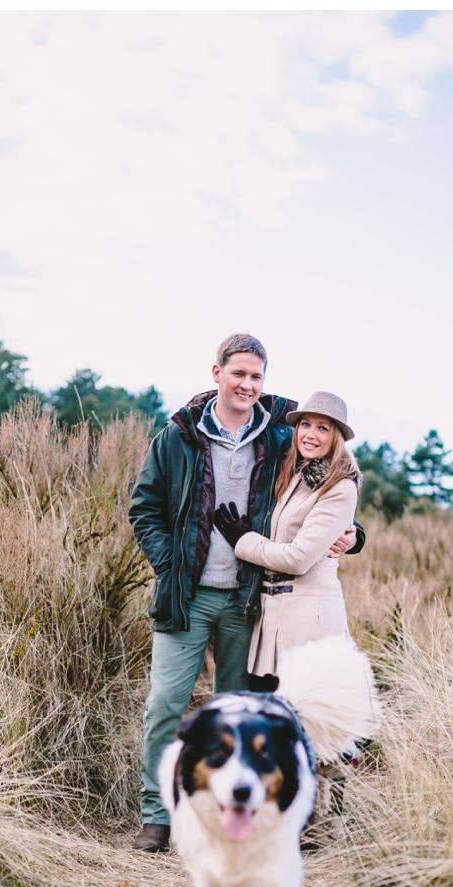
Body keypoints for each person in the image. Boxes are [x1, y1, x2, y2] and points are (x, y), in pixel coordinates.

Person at [128, 335, 364, 853]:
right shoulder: (178, 436)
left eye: (257, 377)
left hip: (248, 603)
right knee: (166, 705)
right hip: (186, 598)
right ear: (216, 373)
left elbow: (325, 483)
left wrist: (355, 531)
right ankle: (157, 816)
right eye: (238, 374)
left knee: (236, 716)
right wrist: (171, 565)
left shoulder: (277, 436)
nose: (247, 385)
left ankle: (221, 820)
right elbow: (143, 507)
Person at [213, 391, 361, 837]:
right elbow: (259, 399)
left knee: (312, 722)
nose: (311, 434)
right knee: (279, 719)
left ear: (337, 438)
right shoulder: (294, 474)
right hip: (275, 613)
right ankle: (289, 820)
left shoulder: (340, 485)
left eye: (322, 427)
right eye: (305, 425)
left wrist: (242, 540)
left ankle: (323, 824)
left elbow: (298, 557)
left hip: (308, 614)